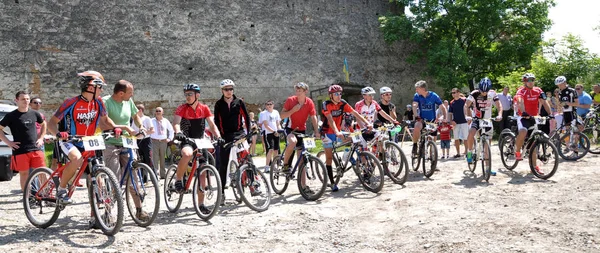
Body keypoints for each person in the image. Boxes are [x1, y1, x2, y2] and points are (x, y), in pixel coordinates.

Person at [48, 71, 127, 206]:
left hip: (89, 141)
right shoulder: (70, 103)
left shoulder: (99, 102)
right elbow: (51, 123)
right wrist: (58, 134)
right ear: (91, 87)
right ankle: (61, 189)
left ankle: (96, 212)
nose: (102, 90)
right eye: (100, 87)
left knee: (96, 171)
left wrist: (114, 128)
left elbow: (105, 119)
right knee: (76, 158)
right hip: (70, 141)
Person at [102, 80, 150, 221]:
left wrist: (140, 126)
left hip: (127, 142)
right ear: (121, 93)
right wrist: (120, 127)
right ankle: (107, 212)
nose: (132, 94)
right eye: (130, 92)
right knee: (114, 179)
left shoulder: (129, 102)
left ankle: (139, 210)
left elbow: (135, 116)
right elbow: (104, 120)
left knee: (134, 177)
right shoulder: (106, 102)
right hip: (111, 143)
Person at [172, 83, 221, 213]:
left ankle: (201, 204)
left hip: (200, 141)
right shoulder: (182, 108)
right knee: (187, 154)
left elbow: (212, 125)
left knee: (203, 173)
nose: (187, 96)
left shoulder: (204, 108)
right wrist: (178, 132)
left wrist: (218, 136)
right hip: (186, 139)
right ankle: (178, 180)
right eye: (186, 94)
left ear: (197, 95)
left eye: (190, 94)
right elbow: (176, 123)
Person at [321, 85, 369, 192]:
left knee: (355, 140)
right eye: (336, 94)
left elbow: (355, 113)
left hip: (339, 132)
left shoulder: (343, 103)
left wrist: (367, 123)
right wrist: (337, 131)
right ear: (331, 96)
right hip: (327, 133)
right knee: (329, 159)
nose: (339, 96)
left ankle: (349, 156)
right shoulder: (326, 104)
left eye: (340, 93)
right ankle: (332, 183)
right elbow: (330, 119)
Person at [213, 79, 253, 202]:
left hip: (239, 133)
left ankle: (253, 185)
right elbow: (216, 121)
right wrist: (219, 137)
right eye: (226, 89)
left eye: (231, 89)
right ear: (222, 91)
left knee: (247, 158)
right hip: (225, 136)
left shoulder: (239, 102)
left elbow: (246, 117)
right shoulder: (219, 104)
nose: (229, 91)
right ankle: (222, 193)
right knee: (223, 164)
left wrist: (249, 134)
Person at [0, 91, 46, 191]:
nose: (26, 101)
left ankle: (46, 196)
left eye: (27, 99)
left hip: (36, 148)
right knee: (24, 174)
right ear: (17, 100)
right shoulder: (11, 116)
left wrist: (41, 138)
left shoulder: (34, 113)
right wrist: (9, 142)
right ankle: (28, 197)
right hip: (20, 150)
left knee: (42, 172)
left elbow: (44, 124)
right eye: (23, 99)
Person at [279, 82, 320, 173]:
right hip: (290, 128)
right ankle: (285, 164)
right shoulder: (290, 100)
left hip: (302, 130)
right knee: (293, 142)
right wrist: (293, 110)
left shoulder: (309, 102)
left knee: (301, 160)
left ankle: (303, 186)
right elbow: (281, 116)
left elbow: (313, 117)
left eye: (300, 91)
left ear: (305, 91)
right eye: (296, 90)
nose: (297, 93)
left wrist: (316, 131)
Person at [513, 73, 552, 163]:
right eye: (528, 80)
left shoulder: (538, 90)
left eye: (532, 80)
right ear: (525, 82)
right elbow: (520, 102)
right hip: (523, 116)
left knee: (534, 142)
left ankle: (534, 167)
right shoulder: (521, 91)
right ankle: (517, 151)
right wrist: (523, 112)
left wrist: (550, 114)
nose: (531, 82)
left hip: (534, 116)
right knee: (523, 131)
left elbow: (545, 102)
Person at [464, 78, 503, 166]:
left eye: (486, 91)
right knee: (471, 133)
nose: (484, 93)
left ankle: (488, 168)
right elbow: (466, 105)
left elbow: (499, 105)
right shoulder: (474, 93)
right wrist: (467, 116)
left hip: (487, 120)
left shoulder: (492, 93)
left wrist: (500, 114)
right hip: (476, 118)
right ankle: (469, 152)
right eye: (482, 91)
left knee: (487, 145)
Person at [411, 80, 446, 157]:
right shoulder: (417, 95)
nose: (416, 90)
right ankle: (415, 145)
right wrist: (416, 116)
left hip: (432, 120)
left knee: (432, 140)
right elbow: (414, 106)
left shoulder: (434, 96)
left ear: (423, 88)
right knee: (417, 127)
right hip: (422, 119)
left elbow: (442, 107)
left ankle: (433, 160)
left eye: (417, 89)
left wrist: (444, 118)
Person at [150, 107, 173, 179]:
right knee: (155, 159)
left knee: (163, 158)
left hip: (163, 142)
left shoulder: (166, 121)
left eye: (159, 111)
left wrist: (169, 139)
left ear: (162, 112)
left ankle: (163, 174)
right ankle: (155, 175)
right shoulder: (151, 121)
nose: (158, 112)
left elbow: (171, 130)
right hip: (154, 141)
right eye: (156, 111)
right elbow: (148, 129)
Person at [259, 100, 281, 173]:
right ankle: (267, 166)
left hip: (276, 133)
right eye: (267, 104)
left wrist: (279, 130)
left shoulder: (276, 112)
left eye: (270, 104)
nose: (269, 105)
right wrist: (273, 131)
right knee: (270, 149)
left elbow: (278, 123)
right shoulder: (264, 113)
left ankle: (274, 165)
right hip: (268, 133)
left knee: (276, 150)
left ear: (273, 105)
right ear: (266, 106)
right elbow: (266, 125)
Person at [132, 104, 155, 173]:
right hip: (138, 141)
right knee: (141, 160)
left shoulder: (147, 119)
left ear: (140, 110)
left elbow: (152, 130)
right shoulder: (134, 120)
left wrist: (144, 133)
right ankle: (144, 179)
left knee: (149, 159)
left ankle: (154, 178)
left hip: (146, 140)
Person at [448, 88, 468, 158]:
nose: (453, 94)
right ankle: (458, 153)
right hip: (455, 122)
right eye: (452, 93)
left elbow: (468, 109)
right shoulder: (451, 102)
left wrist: (469, 118)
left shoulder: (464, 100)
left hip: (464, 121)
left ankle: (467, 152)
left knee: (466, 138)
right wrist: (450, 121)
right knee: (456, 138)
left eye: (454, 92)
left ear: (458, 92)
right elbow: (450, 113)